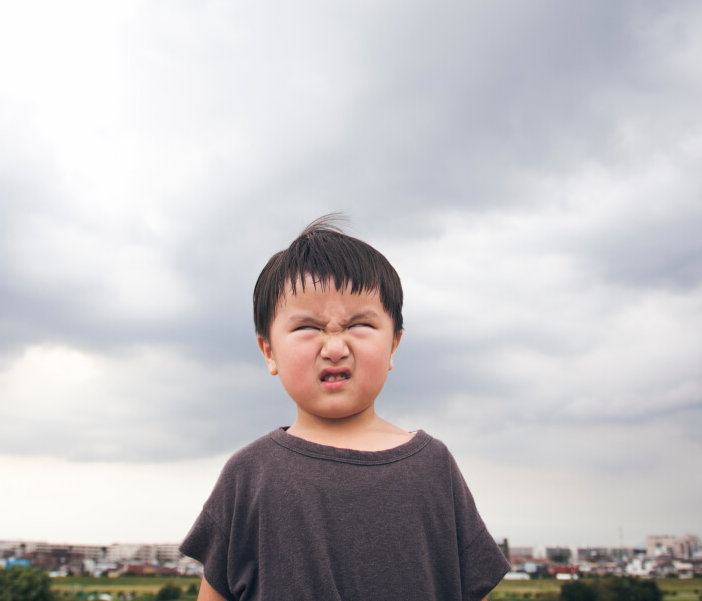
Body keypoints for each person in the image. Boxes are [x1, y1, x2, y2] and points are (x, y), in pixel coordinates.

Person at [181, 215, 508, 600]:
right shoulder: (248, 475)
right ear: (268, 351)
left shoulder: (434, 467)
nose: (335, 348)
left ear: (394, 344)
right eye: (307, 327)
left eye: (359, 325)